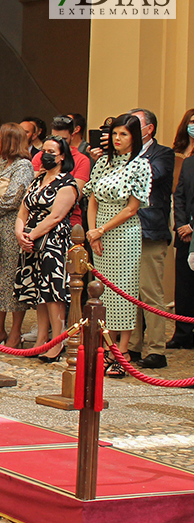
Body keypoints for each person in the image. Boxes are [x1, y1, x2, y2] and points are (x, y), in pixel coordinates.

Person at [83, 114, 151, 377]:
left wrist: (102, 229)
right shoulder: (103, 162)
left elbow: (132, 208)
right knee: (102, 292)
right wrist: (93, 232)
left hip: (123, 233)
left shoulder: (140, 165)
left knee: (123, 291)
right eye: (114, 134)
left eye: (123, 134)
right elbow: (92, 199)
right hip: (98, 231)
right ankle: (103, 346)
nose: (118, 139)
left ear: (134, 136)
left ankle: (120, 353)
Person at [15, 136, 79, 361]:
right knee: (37, 290)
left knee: (52, 292)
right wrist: (19, 233)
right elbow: (23, 210)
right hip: (30, 241)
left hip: (53, 241)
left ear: (62, 156)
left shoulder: (67, 183)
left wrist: (30, 235)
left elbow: (56, 216)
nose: (46, 155)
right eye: (44, 150)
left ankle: (57, 340)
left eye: (52, 151)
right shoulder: (37, 180)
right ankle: (41, 338)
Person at [127, 108, 174, 370]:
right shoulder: (123, 156)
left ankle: (157, 349)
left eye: (135, 124)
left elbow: (153, 175)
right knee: (129, 291)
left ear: (149, 129)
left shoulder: (163, 154)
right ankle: (132, 344)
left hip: (150, 230)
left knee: (150, 291)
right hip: (125, 231)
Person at [0, 123, 33, 348]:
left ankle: (16, 331)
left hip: (12, 227)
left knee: (12, 279)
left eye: (0, 139)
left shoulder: (23, 166)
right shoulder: (2, 164)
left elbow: (13, 197)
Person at [41, 115, 92, 228]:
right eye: (54, 138)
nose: (58, 143)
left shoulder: (82, 160)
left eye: (63, 139)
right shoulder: (41, 156)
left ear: (72, 136)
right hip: (38, 218)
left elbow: (75, 196)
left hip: (68, 221)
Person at [170, 112, 194, 349]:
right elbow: (180, 196)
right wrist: (181, 225)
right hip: (185, 234)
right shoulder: (188, 162)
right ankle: (183, 333)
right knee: (184, 286)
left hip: (193, 228)